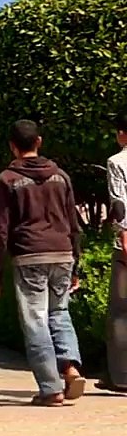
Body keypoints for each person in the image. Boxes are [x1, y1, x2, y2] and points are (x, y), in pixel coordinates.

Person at [0, 120, 85, 406]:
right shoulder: (61, 177)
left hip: (30, 255)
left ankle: (50, 388)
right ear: (39, 141)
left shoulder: (6, 180)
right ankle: (70, 367)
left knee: (36, 320)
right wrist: (76, 263)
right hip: (62, 252)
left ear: (12, 146)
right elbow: (73, 222)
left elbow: (0, 230)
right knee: (60, 312)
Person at [100, 113, 127, 393]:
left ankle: (121, 376)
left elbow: (119, 201)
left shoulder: (117, 162)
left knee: (121, 311)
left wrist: (123, 234)